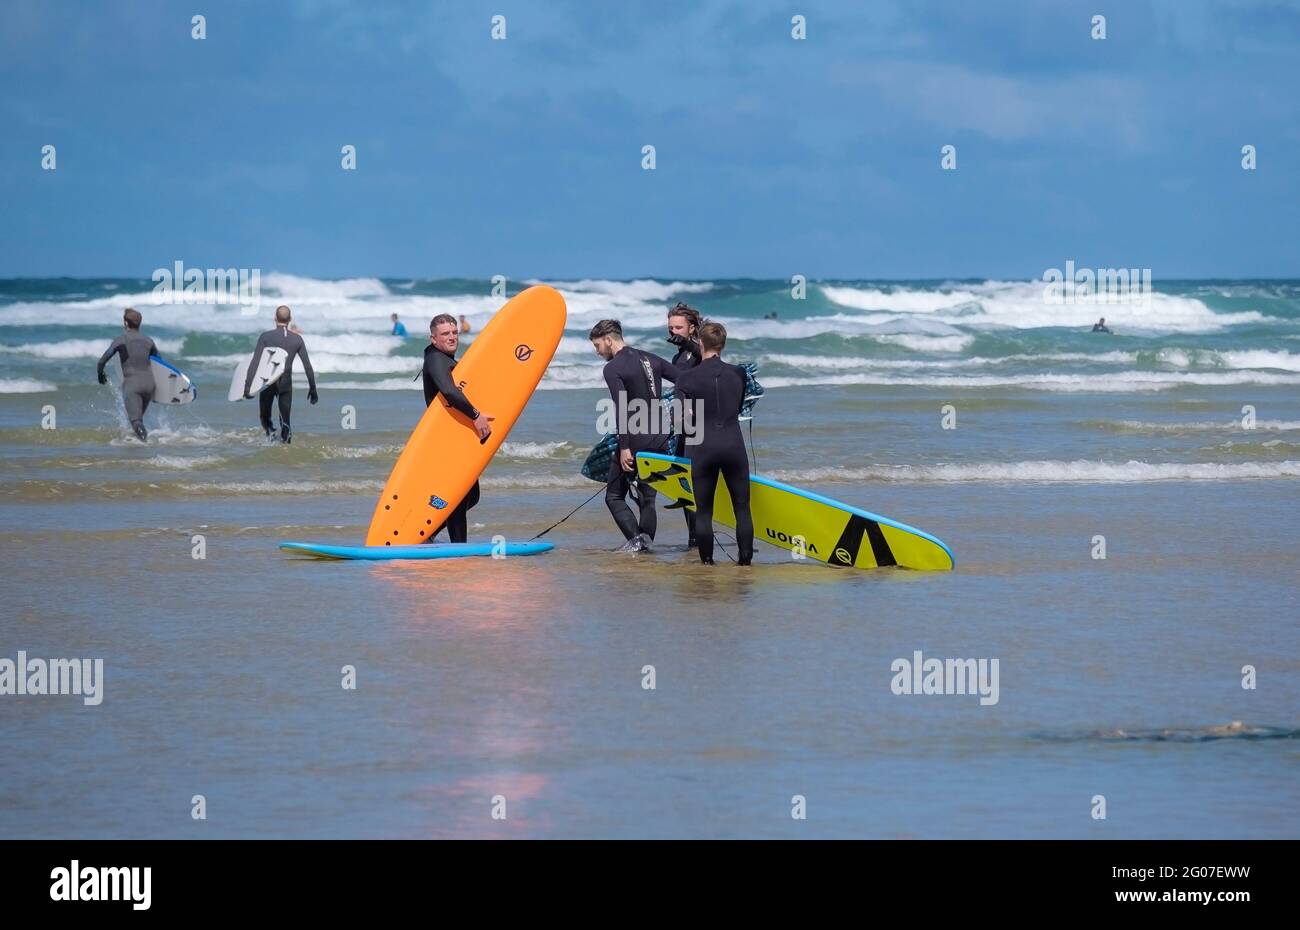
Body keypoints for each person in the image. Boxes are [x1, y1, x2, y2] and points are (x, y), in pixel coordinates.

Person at [590, 319, 679, 552]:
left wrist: (625, 447)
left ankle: (638, 542)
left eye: (597, 346)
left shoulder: (613, 368)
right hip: (660, 436)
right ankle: (645, 545)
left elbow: (620, 406)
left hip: (635, 438)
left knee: (614, 496)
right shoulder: (651, 358)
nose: (598, 352)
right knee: (647, 498)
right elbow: (684, 380)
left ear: (609, 340)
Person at [674, 321, 753, 566]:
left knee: (704, 511)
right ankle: (745, 564)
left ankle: (707, 564)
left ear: (700, 342)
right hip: (734, 446)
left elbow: (680, 421)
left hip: (703, 447)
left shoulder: (686, 378)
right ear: (723, 344)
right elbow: (739, 407)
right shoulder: (739, 373)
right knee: (741, 508)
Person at [423, 313, 494, 543]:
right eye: (445, 334)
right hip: (445, 437)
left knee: (472, 495)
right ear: (433, 338)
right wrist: (475, 415)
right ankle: (458, 547)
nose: (452, 337)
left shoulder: (443, 358)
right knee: (460, 494)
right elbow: (449, 391)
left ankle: (428, 533)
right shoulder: (435, 359)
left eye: (454, 332)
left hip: (454, 435)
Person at [244, 305, 318, 443]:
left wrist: (247, 386)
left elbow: (255, 362)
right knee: (285, 420)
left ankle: (271, 434)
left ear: (274, 318)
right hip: (285, 384)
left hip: (267, 382)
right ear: (290, 319)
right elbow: (307, 366)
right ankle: (285, 445)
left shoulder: (265, 337)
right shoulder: (297, 339)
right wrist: (313, 389)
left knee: (264, 418)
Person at [665, 302, 704, 547]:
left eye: (679, 327)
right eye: (670, 328)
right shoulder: (677, 356)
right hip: (683, 423)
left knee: (696, 480)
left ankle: (700, 535)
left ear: (691, 328)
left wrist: (689, 344)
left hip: (700, 422)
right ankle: (693, 536)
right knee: (683, 478)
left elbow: (705, 357)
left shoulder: (701, 350)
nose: (674, 332)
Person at [96, 307, 157, 442]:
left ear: (125, 323)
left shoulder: (121, 340)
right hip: (149, 385)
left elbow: (102, 361)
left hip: (133, 385)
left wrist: (101, 375)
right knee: (137, 419)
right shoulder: (149, 341)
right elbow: (159, 364)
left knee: (136, 423)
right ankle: (137, 449)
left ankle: (147, 450)